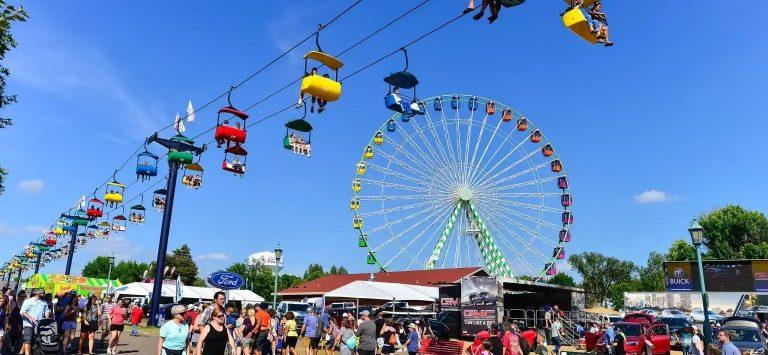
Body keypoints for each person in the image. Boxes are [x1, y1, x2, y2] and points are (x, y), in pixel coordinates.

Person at [20, 289, 50, 355]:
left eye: (44, 293)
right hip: (28, 324)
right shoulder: (28, 301)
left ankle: (20, 353)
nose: (44, 294)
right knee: (28, 340)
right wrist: (31, 318)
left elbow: (47, 311)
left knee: (31, 341)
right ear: (37, 293)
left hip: (38, 324)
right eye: (42, 293)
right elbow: (22, 311)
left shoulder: (44, 302)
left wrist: (47, 318)